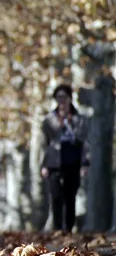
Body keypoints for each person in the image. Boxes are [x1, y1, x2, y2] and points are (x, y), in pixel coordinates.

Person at [40, 84, 89, 233]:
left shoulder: (79, 118)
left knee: (70, 196)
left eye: (64, 97)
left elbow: (85, 141)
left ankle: (68, 228)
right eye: (59, 97)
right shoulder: (49, 119)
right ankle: (57, 227)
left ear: (70, 98)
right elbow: (44, 143)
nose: (62, 100)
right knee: (55, 195)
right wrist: (44, 164)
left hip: (72, 159)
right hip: (54, 161)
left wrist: (85, 163)